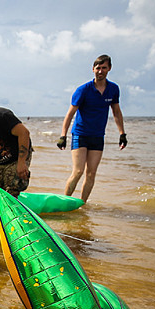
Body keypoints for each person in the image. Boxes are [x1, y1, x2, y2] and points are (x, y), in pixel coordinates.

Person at [58, 54, 126, 203]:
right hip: (80, 134)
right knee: (78, 171)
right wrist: (63, 136)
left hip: (97, 136)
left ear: (109, 69)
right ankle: (64, 202)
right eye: (98, 68)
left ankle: (82, 204)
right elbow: (70, 114)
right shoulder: (83, 90)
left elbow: (116, 112)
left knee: (91, 173)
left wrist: (122, 133)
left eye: (104, 68)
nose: (100, 71)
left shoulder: (113, 89)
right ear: (93, 69)